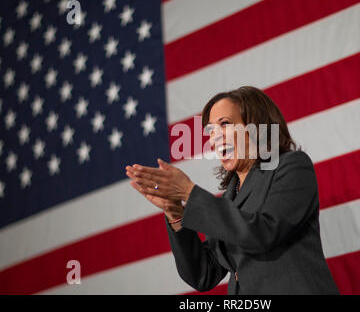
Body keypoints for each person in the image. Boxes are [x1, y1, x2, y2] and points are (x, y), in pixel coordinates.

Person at [125, 86, 339, 294]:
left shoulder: (291, 166)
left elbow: (265, 232)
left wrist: (189, 193)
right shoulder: (230, 197)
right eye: (210, 130)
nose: (214, 137)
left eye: (224, 124)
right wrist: (175, 214)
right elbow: (203, 274)